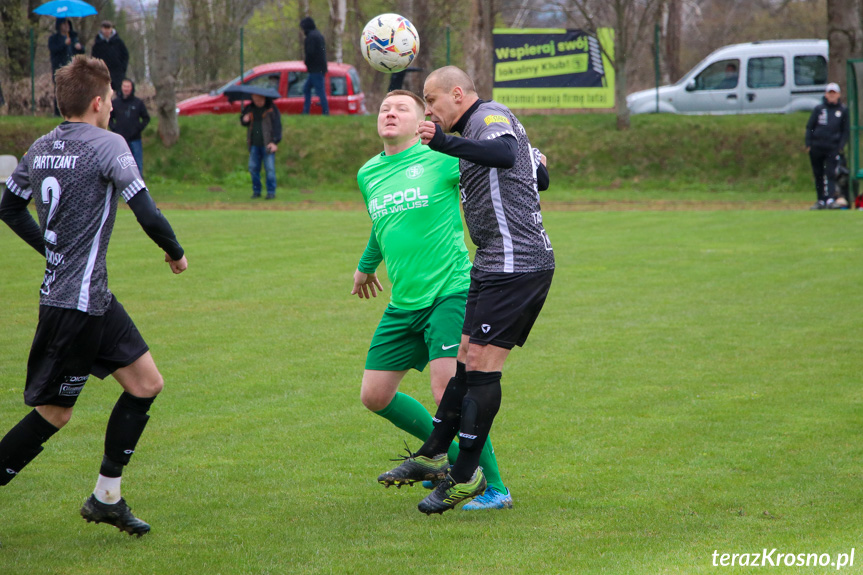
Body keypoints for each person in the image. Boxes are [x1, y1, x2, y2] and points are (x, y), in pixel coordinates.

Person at [0, 55, 187, 539]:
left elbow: (9, 206)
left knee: (146, 383)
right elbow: (146, 211)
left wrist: (50, 247)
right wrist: (175, 252)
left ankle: (106, 497)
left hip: (94, 297)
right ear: (100, 101)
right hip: (72, 308)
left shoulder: (40, 146)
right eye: (111, 103)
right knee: (54, 414)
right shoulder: (109, 144)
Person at [378, 66, 553, 515]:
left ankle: (465, 477)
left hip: (518, 263)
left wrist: (443, 141)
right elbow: (536, 173)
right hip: (493, 261)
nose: (429, 110)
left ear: (458, 95)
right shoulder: (477, 132)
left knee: (479, 367)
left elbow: (505, 154)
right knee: (463, 363)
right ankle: (434, 451)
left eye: (431, 101)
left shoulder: (488, 115)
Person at [354, 90, 512, 510]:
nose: (390, 112)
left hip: (451, 291)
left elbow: (498, 158)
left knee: (450, 389)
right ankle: (438, 458)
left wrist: (532, 158)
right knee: (374, 394)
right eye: (384, 107)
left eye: (400, 107)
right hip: (404, 302)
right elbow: (380, 223)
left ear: (423, 118)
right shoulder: (368, 172)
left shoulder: (443, 157)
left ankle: (493, 486)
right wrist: (366, 266)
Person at [805, 82, 850, 210]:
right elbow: (810, 127)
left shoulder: (842, 110)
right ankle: (821, 200)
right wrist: (809, 143)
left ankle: (830, 198)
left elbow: (845, 130)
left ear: (838, 95)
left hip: (832, 147)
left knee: (830, 173)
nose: (831, 96)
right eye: (829, 93)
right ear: (826, 94)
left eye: (834, 93)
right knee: (818, 173)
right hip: (817, 146)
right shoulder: (819, 109)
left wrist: (840, 146)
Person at [240, 93, 282, 199]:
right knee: (253, 168)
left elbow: (278, 126)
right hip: (254, 144)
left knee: (270, 169)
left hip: (268, 144)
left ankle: (271, 192)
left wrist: (275, 142)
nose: (258, 103)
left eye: (260, 100)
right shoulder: (249, 108)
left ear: (264, 98)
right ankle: (256, 191)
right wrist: (244, 119)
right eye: (255, 100)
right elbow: (243, 121)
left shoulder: (272, 109)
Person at [109, 78, 150, 178]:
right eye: (124, 86)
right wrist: (114, 129)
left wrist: (138, 129)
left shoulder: (138, 103)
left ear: (132, 88)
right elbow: (109, 118)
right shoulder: (115, 103)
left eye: (128, 86)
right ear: (121, 87)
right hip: (120, 140)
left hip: (135, 139)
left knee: (137, 165)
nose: (126, 89)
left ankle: (139, 187)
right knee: (119, 165)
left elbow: (146, 118)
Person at [48, 18, 85, 116]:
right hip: (59, 67)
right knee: (60, 90)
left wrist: (80, 48)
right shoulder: (54, 38)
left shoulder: (73, 37)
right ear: (59, 25)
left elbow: (79, 52)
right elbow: (53, 49)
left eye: (68, 24)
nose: (66, 26)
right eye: (64, 24)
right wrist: (64, 45)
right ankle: (58, 112)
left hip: (71, 67)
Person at [299, 16, 329, 115]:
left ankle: (325, 112)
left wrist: (307, 62)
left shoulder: (311, 37)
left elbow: (310, 53)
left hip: (315, 69)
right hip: (319, 68)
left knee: (320, 91)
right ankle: (306, 111)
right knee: (307, 89)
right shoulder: (318, 35)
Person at [91, 21, 129, 92]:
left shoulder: (118, 42)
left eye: (108, 28)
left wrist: (122, 69)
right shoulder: (97, 44)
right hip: (103, 73)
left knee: (119, 93)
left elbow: (125, 55)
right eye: (105, 28)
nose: (106, 31)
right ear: (101, 29)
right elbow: (94, 58)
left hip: (117, 73)